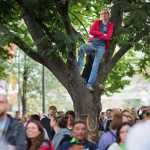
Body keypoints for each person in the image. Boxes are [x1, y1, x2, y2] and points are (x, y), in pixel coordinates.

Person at [77, 9, 114, 91]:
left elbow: (108, 37)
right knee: (81, 48)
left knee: (95, 65)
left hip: (101, 46)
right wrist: (102, 34)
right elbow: (91, 31)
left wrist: (99, 34)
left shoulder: (110, 25)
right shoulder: (97, 22)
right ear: (101, 15)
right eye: (102, 14)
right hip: (93, 44)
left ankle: (89, 84)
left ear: (108, 15)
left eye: (105, 14)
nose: (104, 15)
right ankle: (78, 69)